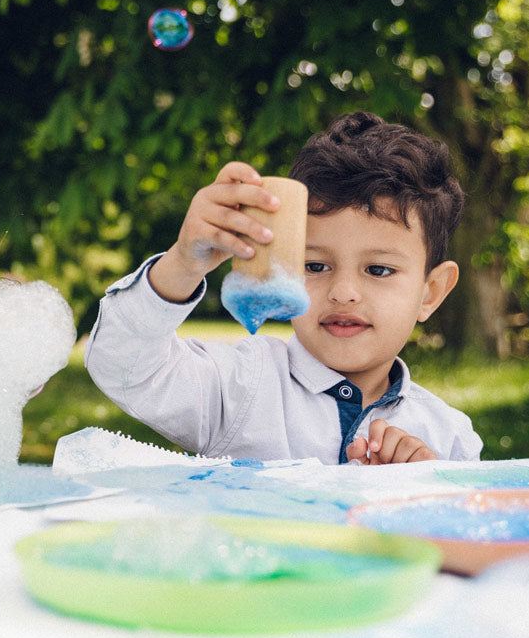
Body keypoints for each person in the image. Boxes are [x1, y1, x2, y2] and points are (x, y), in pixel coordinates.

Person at [84, 111, 482, 465]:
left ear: (430, 292)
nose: (343, 292)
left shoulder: (449, 439)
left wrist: (425, 491)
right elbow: (122, 366)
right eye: (314, 265)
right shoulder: (240, 388)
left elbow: (466, 541)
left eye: (378, 269)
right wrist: (183, 264)